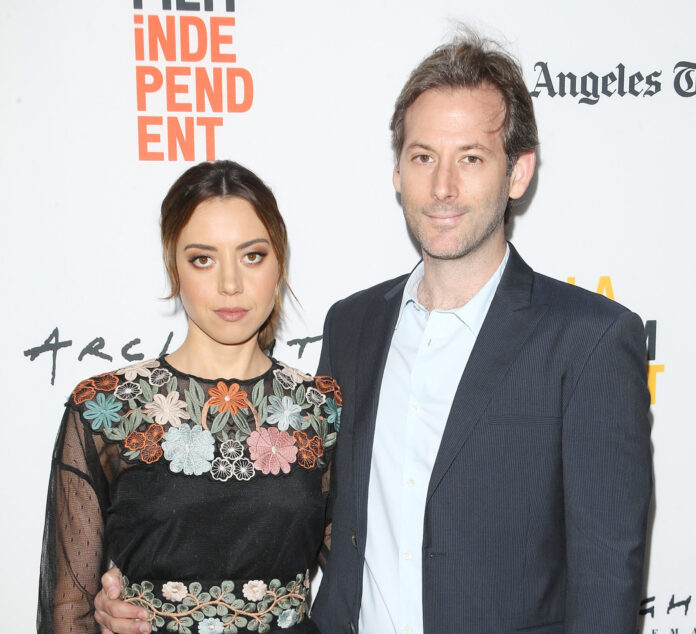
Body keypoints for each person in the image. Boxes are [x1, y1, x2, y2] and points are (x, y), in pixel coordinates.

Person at [94, 31, 652, 634]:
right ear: (396, 171)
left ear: (518, 173)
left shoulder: (590, 340)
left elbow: (607, 583)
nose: (442, 187)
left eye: (470, 157)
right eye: (422, 157)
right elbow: (296, 521)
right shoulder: (353, 325)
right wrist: (143, 592)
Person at [37, 160, 340, 634]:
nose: (230, 284)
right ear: (173, 266)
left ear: (279, 260)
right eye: (203, 258)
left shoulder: (321, 410)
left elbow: (362, 579)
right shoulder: (106, 409)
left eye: (252, 255)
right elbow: (69, 611)